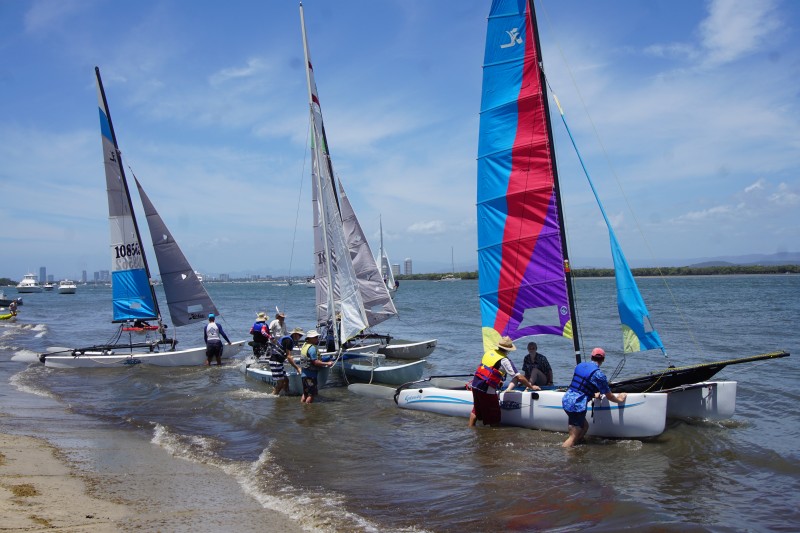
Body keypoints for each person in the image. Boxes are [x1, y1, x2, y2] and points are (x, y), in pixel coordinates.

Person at [561, 347, 627, 448]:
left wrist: (593, 394)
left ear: (591, 357)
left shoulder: (579, 366)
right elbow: (609, 396)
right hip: (577, 404)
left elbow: (582, 385)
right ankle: (565, 452)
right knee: (574, 435)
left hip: (567, 400)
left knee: (585, 427)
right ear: (603, 360)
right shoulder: (599, 375)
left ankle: (575, 446)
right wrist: (620, 399)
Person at [468, 336, 540, 427]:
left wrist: (497, 381)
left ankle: (471, 429)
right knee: (495, 416)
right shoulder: (504, 360)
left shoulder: (489, 352)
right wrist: (531, 387)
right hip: (486, 389)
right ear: (508, 350)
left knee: (476, 410)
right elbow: (519, 377)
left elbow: (487, 368)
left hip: (475, 384)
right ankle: (494, 435)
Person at [299, 330, 333, 404]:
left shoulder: (305, 345)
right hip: (310, 376)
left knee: (305, 393)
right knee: (311, 395)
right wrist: (327, 363)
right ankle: (308, 409)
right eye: (315, 337)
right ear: (310, 338)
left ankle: (302, 407)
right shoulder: (312, 348)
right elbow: (315, 362)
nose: (317, 338)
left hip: (304, 375)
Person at [270, 327, 304, 396]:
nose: (300, 337)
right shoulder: (289, 341)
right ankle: (273, 396)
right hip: (275, 362)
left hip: (278, 361)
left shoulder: (289, 339)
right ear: (295, 334)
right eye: (299, 335)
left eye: (301, 335)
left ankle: (286, 394)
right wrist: (297, 368)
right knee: (280, 383)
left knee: (286, 381)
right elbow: (289, 356)